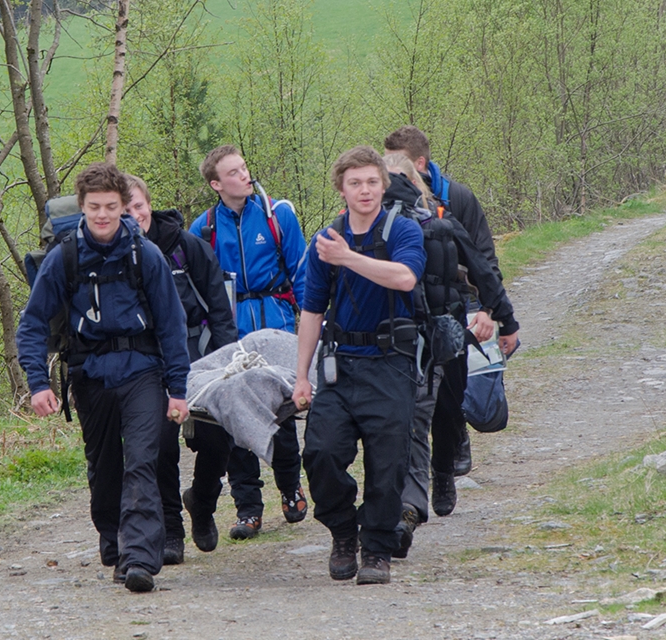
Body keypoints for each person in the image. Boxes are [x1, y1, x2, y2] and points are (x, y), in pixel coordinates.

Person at [17, 163, 193, 593]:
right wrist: (39, 383)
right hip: (91, 375)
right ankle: (113, 539)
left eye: (111, 207)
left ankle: (139, 559)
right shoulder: (65, 258)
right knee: (105, 469)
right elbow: (33, 324)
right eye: (94, 207)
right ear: (82, 207)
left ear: (123, 207)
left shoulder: (144, 254)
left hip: (143, 374)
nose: (102, 215)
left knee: (141, 462)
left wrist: (178, 391)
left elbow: (172, 325)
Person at [293, 146, 426, 585]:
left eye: (372, 182)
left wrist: (347, 257)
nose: (365, 190)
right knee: (321, 452)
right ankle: (343, 531)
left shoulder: (403, 231)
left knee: (388, 464)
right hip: (341, 365)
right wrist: (301, 376)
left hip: (391, 363)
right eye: (355, 183)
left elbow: (404, 277)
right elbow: (312, 311)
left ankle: (377, 549)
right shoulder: (326, 239)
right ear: (342, 189)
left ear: (383, 186)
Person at [383, 125, 521, 516]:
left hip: (450, 319)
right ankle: (406, 494)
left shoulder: (456, 201)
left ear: (417, 169)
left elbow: (483, 261)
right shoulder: (370, 220)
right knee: (403, 411)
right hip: (398, 329)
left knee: (447, 407)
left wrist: (492, 314)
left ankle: (442, 471)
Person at [187, 145, 309, 541]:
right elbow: (191, 289)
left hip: (275, 326)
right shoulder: (202, 229)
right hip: (228, 335)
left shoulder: (278, 216)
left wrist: (310, 330)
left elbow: (304, 276)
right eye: (233, 172)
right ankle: (248, 509)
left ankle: (291, 488)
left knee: (282, 415)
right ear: (216, 184)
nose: (244, 175)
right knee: (236, 422)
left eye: (244, 168)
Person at [125, 175, 237, 562]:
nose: (133, 215)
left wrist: (225, 362)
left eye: (138, 206)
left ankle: (202, 504)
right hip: (146, 361)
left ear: (149, 204)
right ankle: (170, 529)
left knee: (216, 440)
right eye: (125, 210)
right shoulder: (115, 255)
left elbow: (220, 308)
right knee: (158, 446)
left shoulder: (186, 247)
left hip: (198, 354)